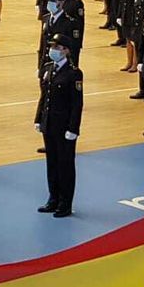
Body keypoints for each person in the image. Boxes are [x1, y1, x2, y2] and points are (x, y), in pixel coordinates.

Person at [36, 32, 83, 215]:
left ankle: (65, 202)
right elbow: (44, 96)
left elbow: (77, 104)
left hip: (64, 126)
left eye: (56, 47)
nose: (52, 50)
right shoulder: (48, 68)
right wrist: (38, 118)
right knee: (52, 163)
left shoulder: (73, 73)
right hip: (49, 123)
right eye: (51, 47)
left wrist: (73, 128)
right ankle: (53, 198)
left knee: (65, 165)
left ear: (66, 50)